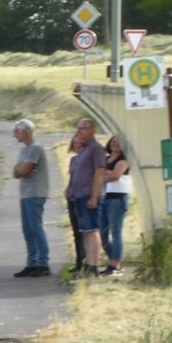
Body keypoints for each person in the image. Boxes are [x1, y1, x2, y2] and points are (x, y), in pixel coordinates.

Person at [65, 118, 107, 277]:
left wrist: (94, 196)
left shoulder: (96, 149)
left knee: (92, 229)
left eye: (83, 128)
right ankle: (88, 263)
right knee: (86, 231)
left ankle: (93, 265)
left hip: (89, 195)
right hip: (79, 195)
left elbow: (99, 172)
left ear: (92, 130)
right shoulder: (85, 150)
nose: (80, 131)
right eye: (78, 128)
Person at [10, 119, 50, 277]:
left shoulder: (35, 148)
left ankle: (43, 262)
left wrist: (22, 170)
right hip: (26, 193)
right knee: (28, 229)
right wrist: (21, 170)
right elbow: (16, 172)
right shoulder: (24, 150)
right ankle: (32, 262)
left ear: (25, 132)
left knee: (36, 228)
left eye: (16, 132)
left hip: (35, 192)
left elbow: (25, 170)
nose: (15, 135)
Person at [100, 135, 132, 276]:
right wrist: (106, 174)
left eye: (119, 142)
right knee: (102, 233)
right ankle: (114, 261)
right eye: (113, 141)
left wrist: (102, 176)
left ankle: (115, 264)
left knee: (116, 232)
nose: (115, 144)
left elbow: (115, 176)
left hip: (118, 199)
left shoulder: (123, 160)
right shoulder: (105, 159)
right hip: (104, 199)